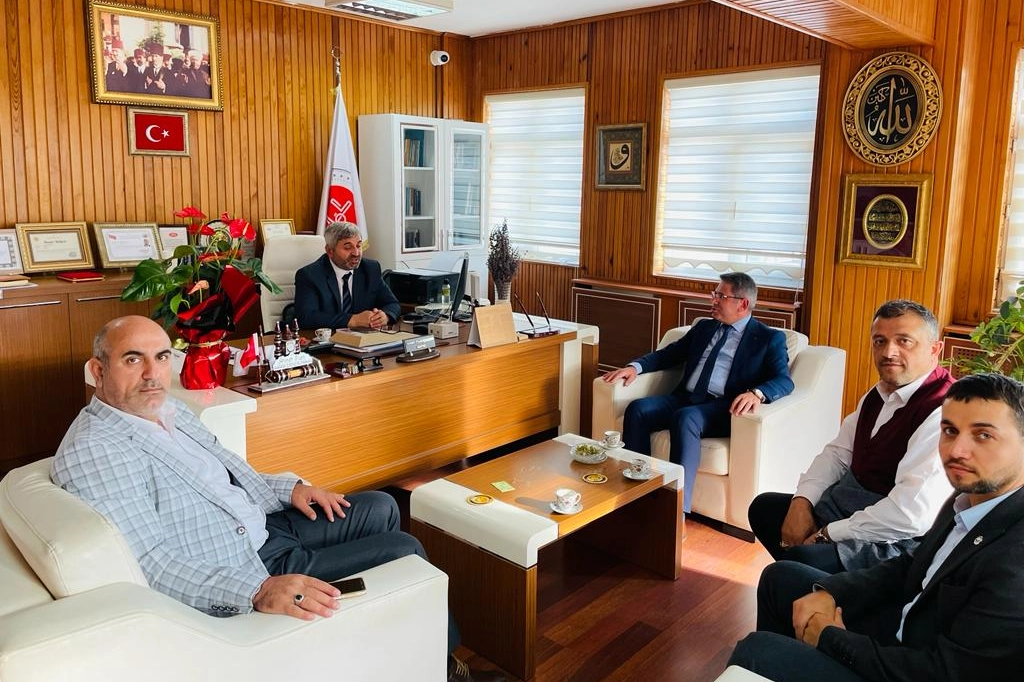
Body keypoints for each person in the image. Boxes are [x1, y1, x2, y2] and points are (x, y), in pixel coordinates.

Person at [52, 316, 504, 682]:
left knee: (381, 506)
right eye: (133, 359)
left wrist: (291, 489)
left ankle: (372, 641)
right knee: (404, 548)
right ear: (98, 371)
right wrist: (256, 590)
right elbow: (151, 562)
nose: (153, 374)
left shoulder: (164, 410)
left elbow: (226, 475)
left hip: (262, 525)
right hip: (248, 564)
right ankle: (446, 669)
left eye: (162, 357)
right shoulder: (97, 450)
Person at [728, 372, 1024, 681]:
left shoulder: (1015, 558)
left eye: (983, 435)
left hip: (916, 665)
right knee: (780, 578)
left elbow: (943, 672)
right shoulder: (968, 497)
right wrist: (831, 591)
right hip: (906, 624)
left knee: (757, 652)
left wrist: (832, 640)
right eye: (950, 430)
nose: (956, 451)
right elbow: (912, 565)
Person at [749, 300, 953, 573]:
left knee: (794, 566)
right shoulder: (878, 394)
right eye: (880, 341)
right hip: (848, 508)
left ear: (934, 349)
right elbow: (837, 454)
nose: (889, 352)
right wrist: (802, 501)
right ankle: (814, 588)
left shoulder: (943, 412)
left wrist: (828, 534)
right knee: (764, 509)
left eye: (904, 341)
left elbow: (911, 516)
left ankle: (817, 587)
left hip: (894, 540)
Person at [601, 272, 794, 515]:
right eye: (715, 294)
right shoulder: (704, 327)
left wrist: (757, 393)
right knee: (638, 409)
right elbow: (669, 354)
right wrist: (635, 367)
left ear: (743, 303)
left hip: (722, 407)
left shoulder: (768, 338)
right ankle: (638, 493)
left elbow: (784, 380)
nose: (713, 301)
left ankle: (675, 512)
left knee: (686, 418)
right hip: (686, 398)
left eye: (721, 296)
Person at [293, 221, 401, 331]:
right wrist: (352, 320)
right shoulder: (310, 275)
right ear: (330, 251)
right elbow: (306, 317)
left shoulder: (370, 269)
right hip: (327, 338)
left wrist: (385, 316)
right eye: (348, 247)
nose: (356, 253)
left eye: (358, 245)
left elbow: (392, 303)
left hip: (363, 337)